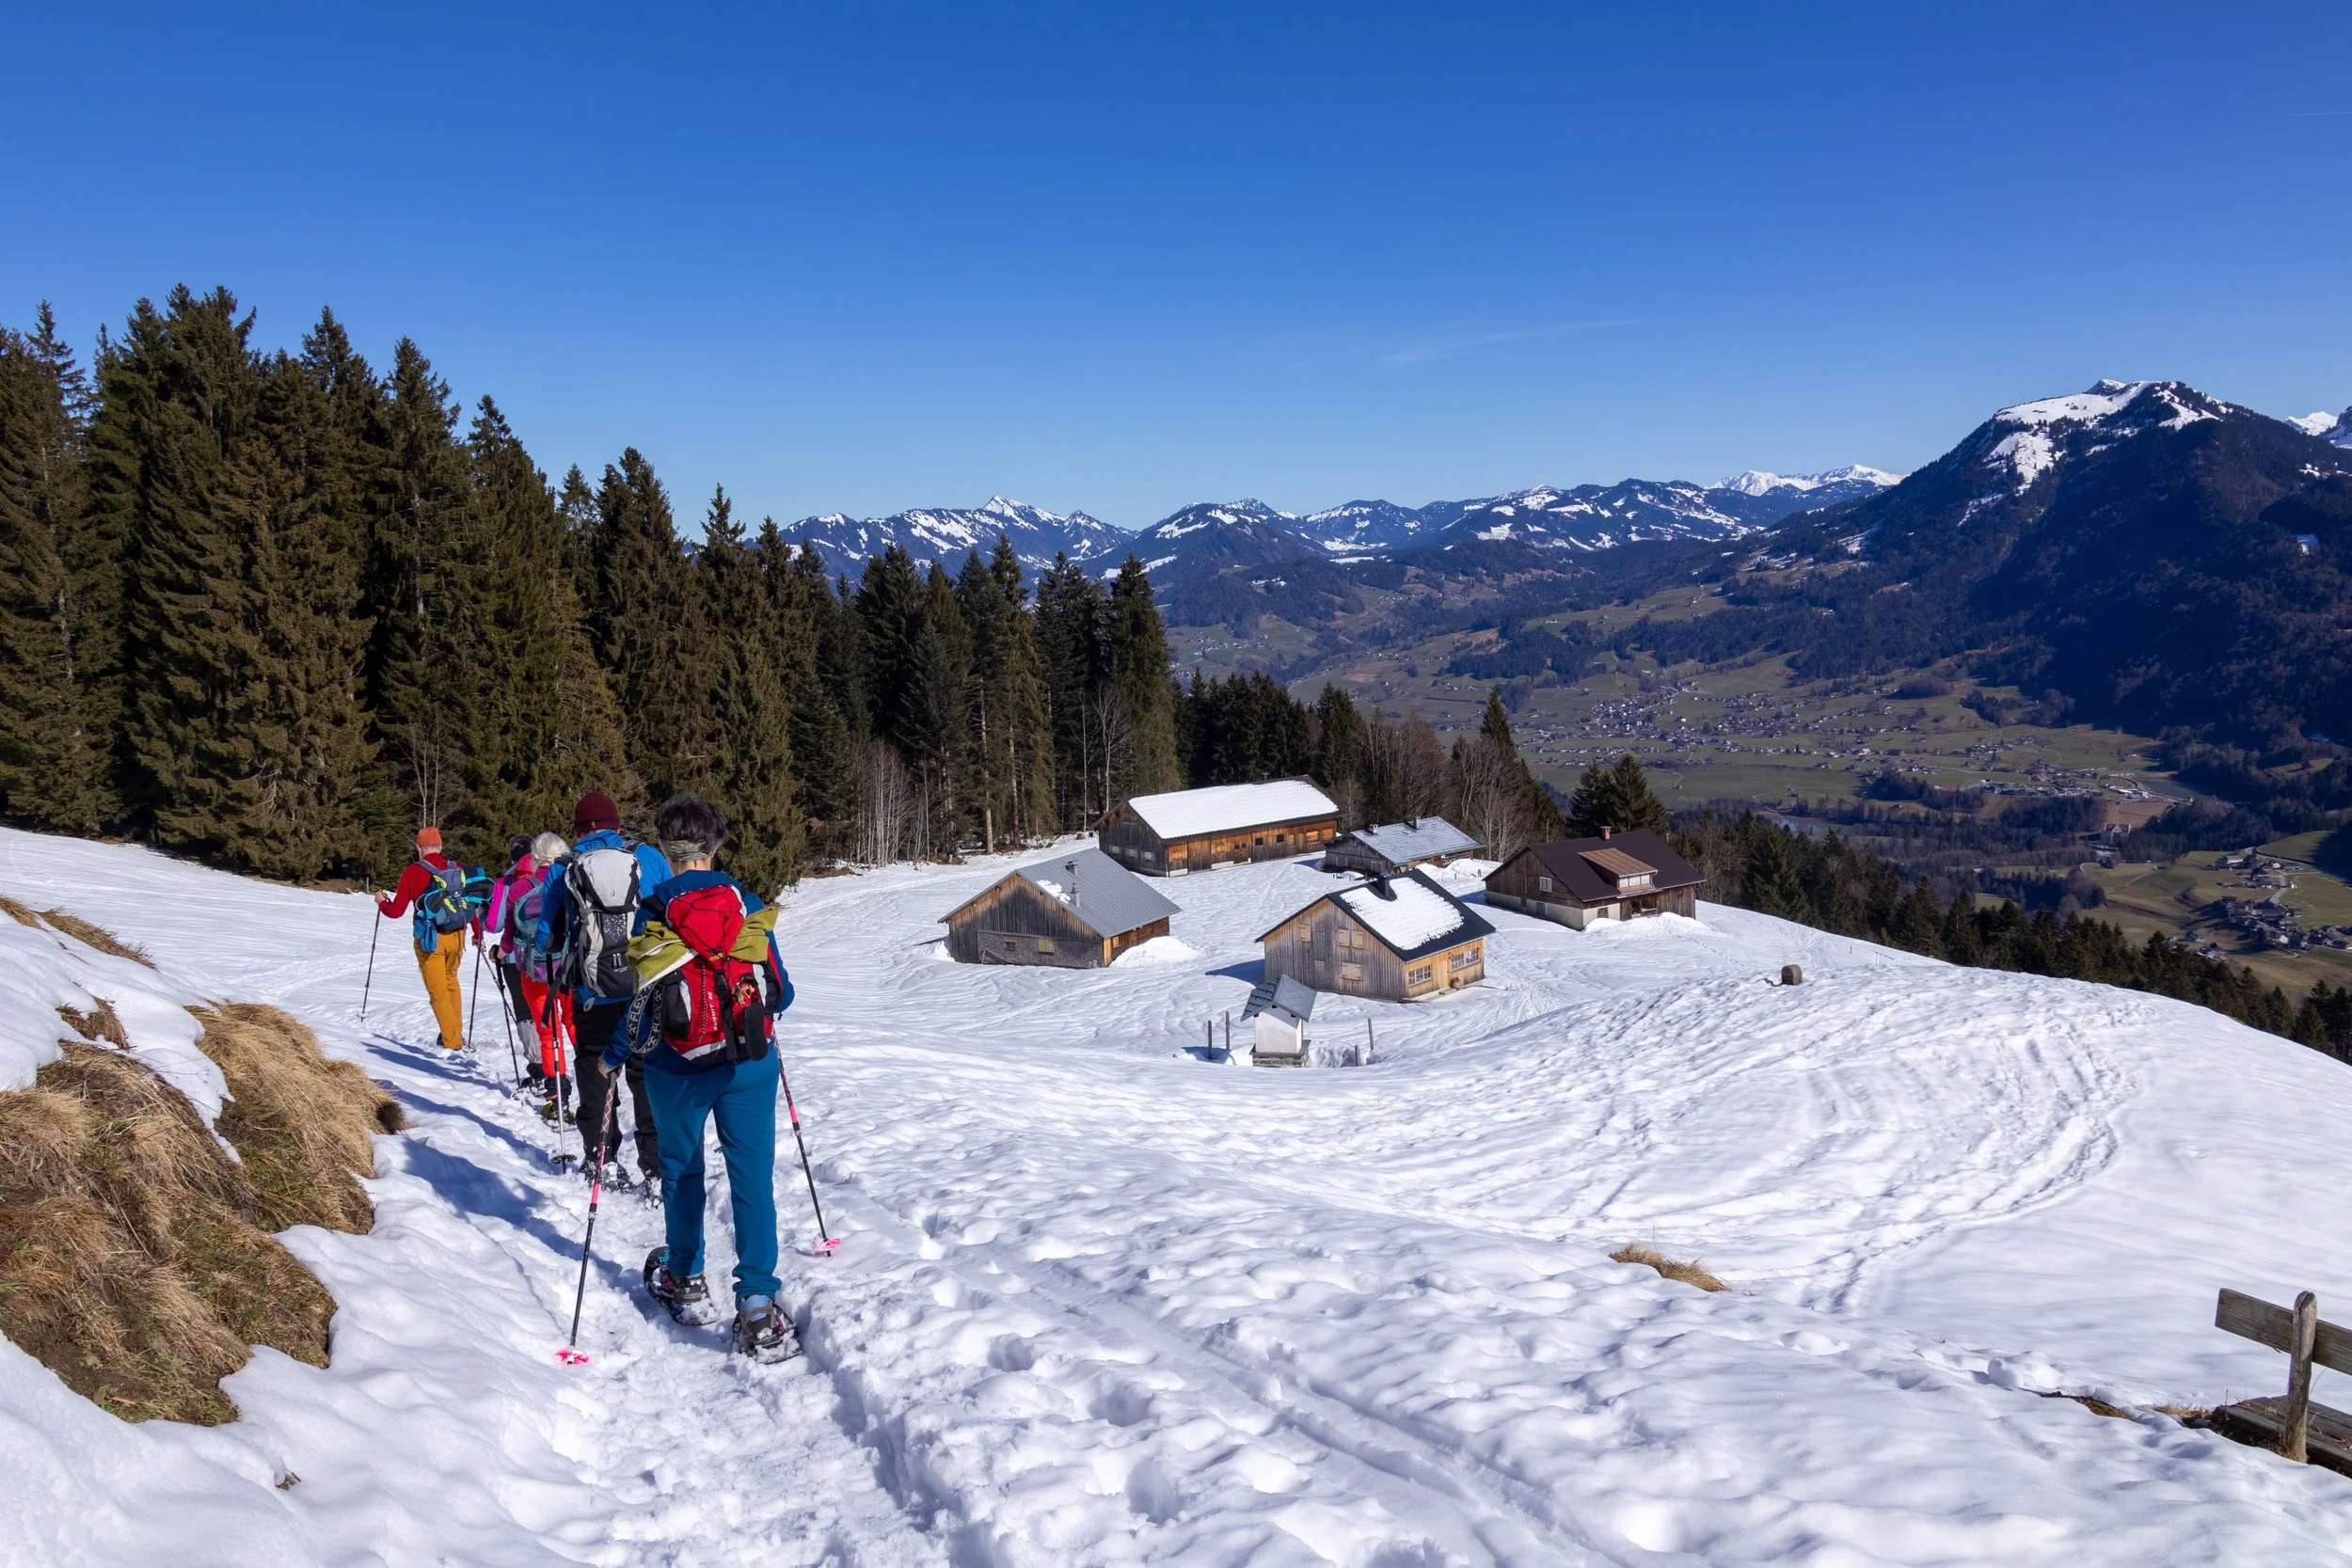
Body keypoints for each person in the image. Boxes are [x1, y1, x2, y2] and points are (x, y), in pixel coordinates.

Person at [609, 791, 797, 1361]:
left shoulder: (653, 908)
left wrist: (613, 1053)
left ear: (666, 848)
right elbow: (781, 989)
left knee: (682, 1171)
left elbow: (641, 1000)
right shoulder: (744, 901)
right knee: (750, 1176)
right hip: (749, 1061)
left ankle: (685, 1275)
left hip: (676, 1067)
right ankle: (759, 1304)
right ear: (715, 845)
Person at [538, 791, 670, 1184]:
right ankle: (656, 1163)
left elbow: (547, 935)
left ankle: (601, 1157)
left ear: (578, 830)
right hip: (646, 987)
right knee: (646, 1072)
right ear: (617, 825)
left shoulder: (563, 868)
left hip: (593, 992)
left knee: (594, 1068)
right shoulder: (647, 858)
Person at [493, 832, 572, 1116]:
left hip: (535, 970)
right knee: (575, 1025)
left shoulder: (519, 888)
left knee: (548, 1031)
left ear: (536, 857)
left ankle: (558, 1094)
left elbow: (509, 935)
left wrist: (500, 953)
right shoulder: (570, 882)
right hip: (570, 968)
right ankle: (593, 1087)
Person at [376, 825, 472, 1053]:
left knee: (438, 991)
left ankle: (452, 1042)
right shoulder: (455, 868)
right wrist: (477, 933)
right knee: (451, 982)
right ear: (440, 846)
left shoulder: (413, 872)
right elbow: (466, 902)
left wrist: (381, 901)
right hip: (458, 934)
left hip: (430, 938)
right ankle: (455, 1032)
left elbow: (396, 911)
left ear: (419, 847)